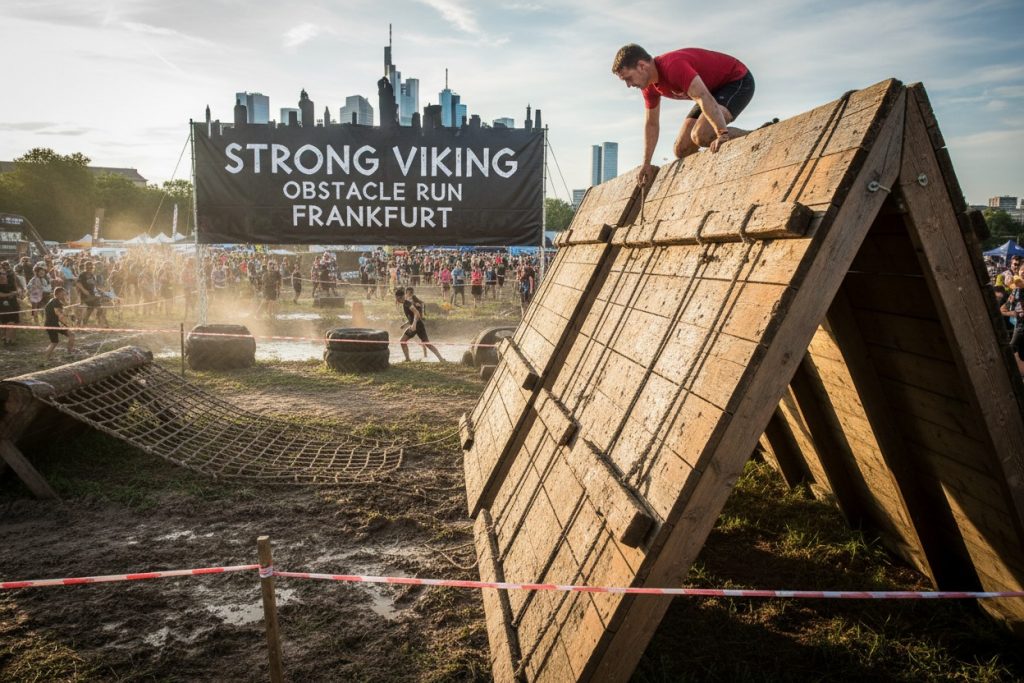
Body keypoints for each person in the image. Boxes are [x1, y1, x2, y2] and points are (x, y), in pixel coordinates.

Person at [612, 44, 756, 187]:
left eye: (628, 78)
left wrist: (722, 133)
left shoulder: (673, 66)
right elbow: (652, 123)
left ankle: (758, 135)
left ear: (641, 66)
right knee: (681, 149)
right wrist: (646, 163)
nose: (628, 85)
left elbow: (703, 97)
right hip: (710, 92)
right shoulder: (649, 86)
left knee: (702, 135)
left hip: (736, 80)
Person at [395, 287, 445, 362]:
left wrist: (414, 324)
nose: (396, 300)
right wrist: (405, 324)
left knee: (427, 344)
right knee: (402, 341)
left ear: (400, 297)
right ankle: (407, 359)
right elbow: (411, 317)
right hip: (414, 326)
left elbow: (417, 313)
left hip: (419, 326)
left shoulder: (407, 304)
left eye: (397, 298)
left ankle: (441, 359)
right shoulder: (405, 304)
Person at [42, 287, 77, 365]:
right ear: (57, 294)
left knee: (70, 335)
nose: (64, 295)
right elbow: (59, 314)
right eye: (62, 294)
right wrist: (68, 322)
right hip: (53, 324)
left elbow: (61, 313)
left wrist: (69, 316)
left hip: (54, 324)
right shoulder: (55, 301)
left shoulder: (55, 301)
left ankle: (69, 353)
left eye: (64, 294)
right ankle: (46, 359)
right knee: (55, 342)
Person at [0, 260, 23, 346]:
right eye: (2, 273)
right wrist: (11, 294)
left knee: (15, 322)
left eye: (4, 273)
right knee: (9, 322)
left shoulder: (11, 279)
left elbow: (18, 288)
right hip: (3, 303)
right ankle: (7, 340)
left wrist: (19, 292)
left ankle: (12, 340)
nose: (3, 275)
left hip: (13, 302)